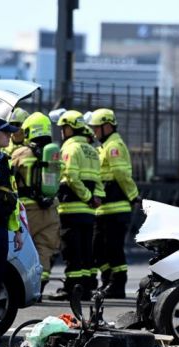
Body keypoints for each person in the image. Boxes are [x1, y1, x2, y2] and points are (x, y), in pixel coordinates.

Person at [49, 110, 104, 301]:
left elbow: (71, 177)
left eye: (64, 128)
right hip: (89, 212)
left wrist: (87, 196)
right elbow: (99, 180)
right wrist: (95, 197)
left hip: (71, 208)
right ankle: (86, 289)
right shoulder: (92, 150)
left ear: (71, 128)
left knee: (72, 251)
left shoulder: (70, 148)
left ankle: (72, 289)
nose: (62, 132)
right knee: (86, 251)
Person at [87, 108, 140, 299]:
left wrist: (134, 195)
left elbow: (121, 174)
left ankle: (117, 285)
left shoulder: (114, 146)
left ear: (107, 126)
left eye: (96, 128)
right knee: (99, 249)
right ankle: (108, 281)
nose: (93, 132)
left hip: (116, 208)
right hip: (104, 209)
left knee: (113, 249)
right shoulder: (105, 146)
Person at [10, 112, 61, 297]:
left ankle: (26, 288)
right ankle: (40, 287)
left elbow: (9, 177)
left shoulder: (20, 153)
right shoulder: (55, 154)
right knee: (45, 249)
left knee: (23, 247)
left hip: (29, 209)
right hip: (51, 209)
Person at [0, 116, 24, 317]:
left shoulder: (6, 161)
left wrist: (17, 230)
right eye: (6, 132)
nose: (10, 136)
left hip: (1, 227)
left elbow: (13, 196)